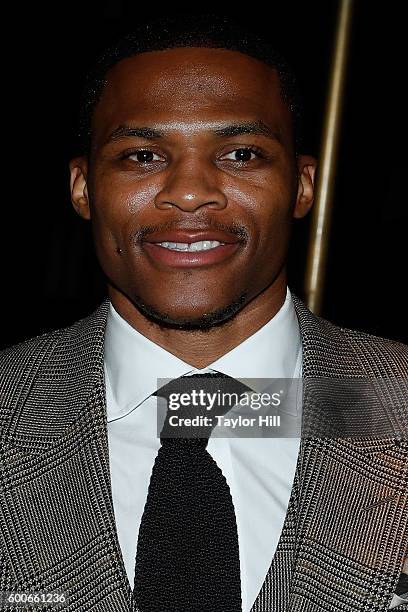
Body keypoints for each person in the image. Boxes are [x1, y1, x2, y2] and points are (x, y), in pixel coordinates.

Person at [0, 14, 406, 612]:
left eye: (241, 154)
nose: (190, 191)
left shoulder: (395, 402)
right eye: (142, 155)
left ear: (302, 185)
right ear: (83, 188)